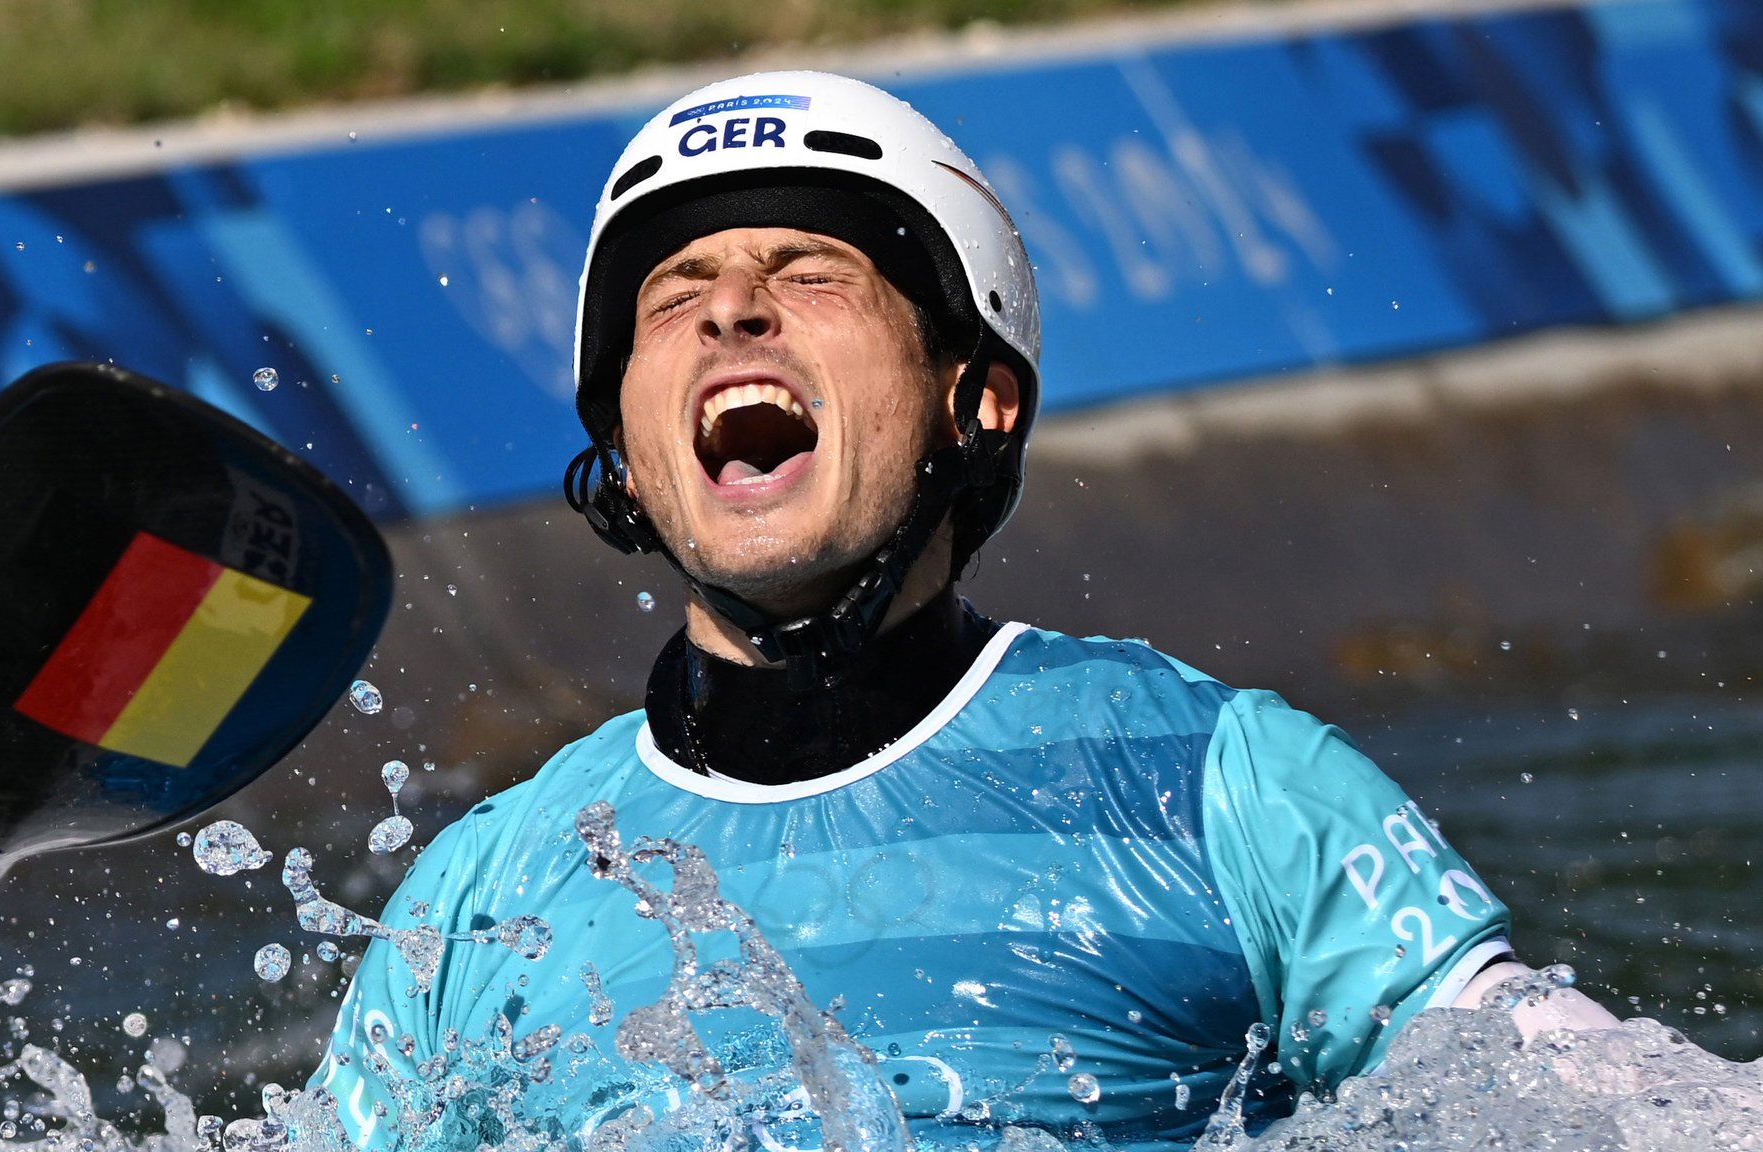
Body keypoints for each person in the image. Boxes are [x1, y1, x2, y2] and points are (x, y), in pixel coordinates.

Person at [308, 70, 1615, 1151]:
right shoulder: (487, 889)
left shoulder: (1227, 785)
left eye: (810, 271)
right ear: (628, 448)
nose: (731, 309)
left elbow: (1592, 1109)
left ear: (975, 399)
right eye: (673, 293)